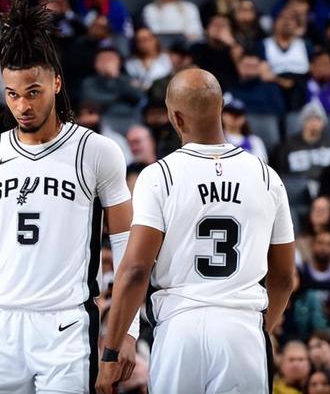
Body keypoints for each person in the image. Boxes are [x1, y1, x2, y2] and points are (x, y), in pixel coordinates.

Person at [0, 0, 137, 393]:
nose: (22, 105)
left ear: (56, 83)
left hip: (67, 323)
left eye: (33, 92)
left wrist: (126, 332)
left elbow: (128, 249)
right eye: (12, 94)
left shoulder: (97, 152)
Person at [95, 68, 296, 393]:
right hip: (242, 328)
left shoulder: (159, 175)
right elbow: (284, 277)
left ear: (175, 117)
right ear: (220, 107)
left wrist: (111, 350)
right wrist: (261, 327)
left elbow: (135, 270)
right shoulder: (266, 176)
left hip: (179, 330)